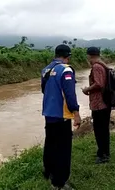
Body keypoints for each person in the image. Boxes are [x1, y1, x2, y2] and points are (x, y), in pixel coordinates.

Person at [41, 44, 81, 190]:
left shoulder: (46, 70)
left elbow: (44, 90)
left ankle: (48, 172)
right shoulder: (66, 70)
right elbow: (70, 95)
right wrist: (76, 113)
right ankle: (59, 183)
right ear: (67, 57)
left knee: (50, 143)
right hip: (61, 115)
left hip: (48, 113)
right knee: (63, 149)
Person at [82, 47, 111, 164]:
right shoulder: (103, 64)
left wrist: (87, 89)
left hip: (99, 104)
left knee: (99, 129)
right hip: (105, 102)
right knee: (103, 129)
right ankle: (104, 152)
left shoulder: (96, 66)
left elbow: (99, 84)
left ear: (89, 55)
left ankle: (103, 155)